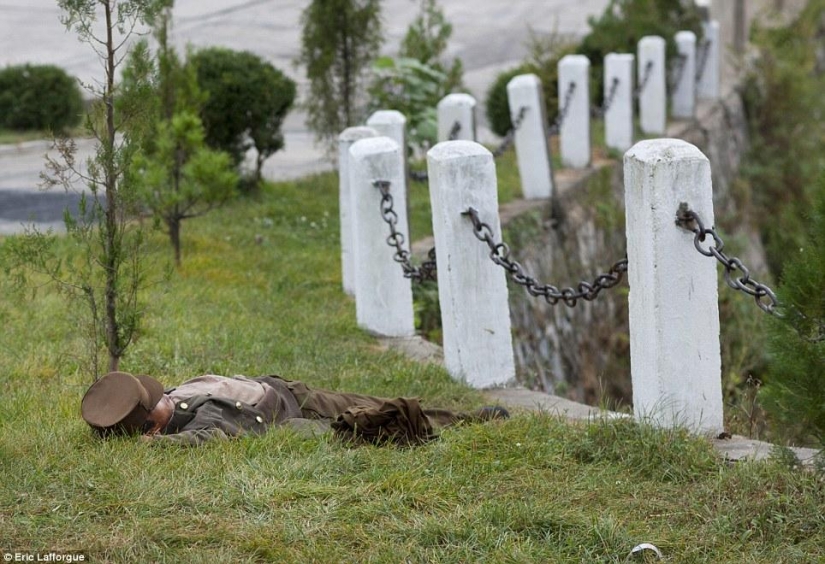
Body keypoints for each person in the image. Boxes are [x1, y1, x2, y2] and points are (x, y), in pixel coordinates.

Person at [80, 371, 509, 446]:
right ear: (152, 427)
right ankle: (463, 424)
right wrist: (153, 446)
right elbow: (207, 437)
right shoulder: (195, 425)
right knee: (384, 418)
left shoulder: (175, 397)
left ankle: (463, 416)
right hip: (290, 418)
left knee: (367, 399)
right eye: (157, 402)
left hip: (289, 390)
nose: (165, 396)